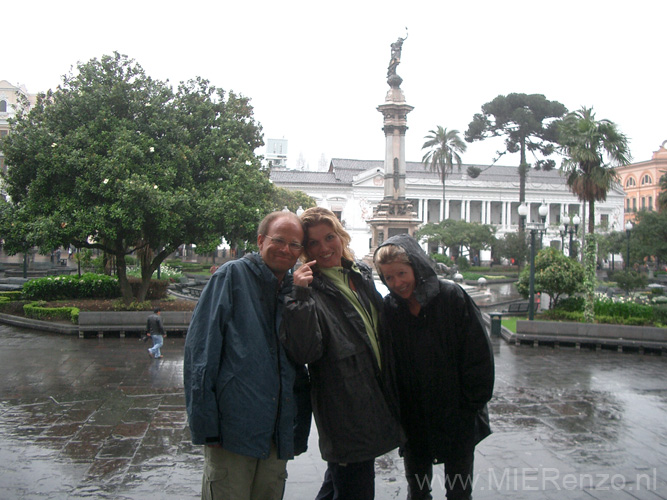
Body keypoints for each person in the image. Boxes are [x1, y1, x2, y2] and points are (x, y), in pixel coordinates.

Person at [280, 207, 404, 500]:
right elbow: (306, 351)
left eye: (329, 237)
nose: (324, 248)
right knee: (355, 488)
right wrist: (299, 297)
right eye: (313, 243)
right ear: (304, 250)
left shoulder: (359, 275)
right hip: (344, 412)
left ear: (341, 236)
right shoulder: (307, 289)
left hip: (372, 403)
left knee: (339, 486)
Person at [184, 211, 307, 500]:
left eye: (294, 244)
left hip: (276, 434)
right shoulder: (231, 276)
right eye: (278, 240)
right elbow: (201, 354)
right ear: (261, 240)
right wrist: (205, 427)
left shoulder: (295, 289)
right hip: (232, 433)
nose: (285, 249)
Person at [374, 234, 494, 500]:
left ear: (416, 266)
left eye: (402, 273)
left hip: (457, 415)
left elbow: (478, 353)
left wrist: (470, 404)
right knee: (417, 490)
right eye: (389, 278)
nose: (397, 283)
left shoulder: (451, 297)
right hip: (414, 418)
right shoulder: (391, 308)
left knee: (459, 491)